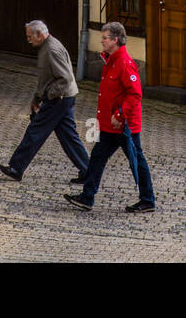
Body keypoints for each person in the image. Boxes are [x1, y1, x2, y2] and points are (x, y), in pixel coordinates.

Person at [64, 21, 156, 213]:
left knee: (136, 160)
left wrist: (120, 114)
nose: (102, 41)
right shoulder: (110, 60)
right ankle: (87, 197)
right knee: (97, 158)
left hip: (124, 125)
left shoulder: (124, 63)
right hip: (109, 125)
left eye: (105, 38)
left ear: (115, 40)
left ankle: (147, 200)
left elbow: (135, 94)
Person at [0, 20, 90, 182]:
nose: (28, 40)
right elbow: (48, 78)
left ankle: (16, 167)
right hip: (63, 98)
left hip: (59, 99)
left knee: (35, 131)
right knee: (69, 138)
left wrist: (47, 95)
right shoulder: (48, 46)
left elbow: (65, 79)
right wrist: (37, 97)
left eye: (29, 36)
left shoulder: (51, 49)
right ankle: (89, 171)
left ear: (39, 34)